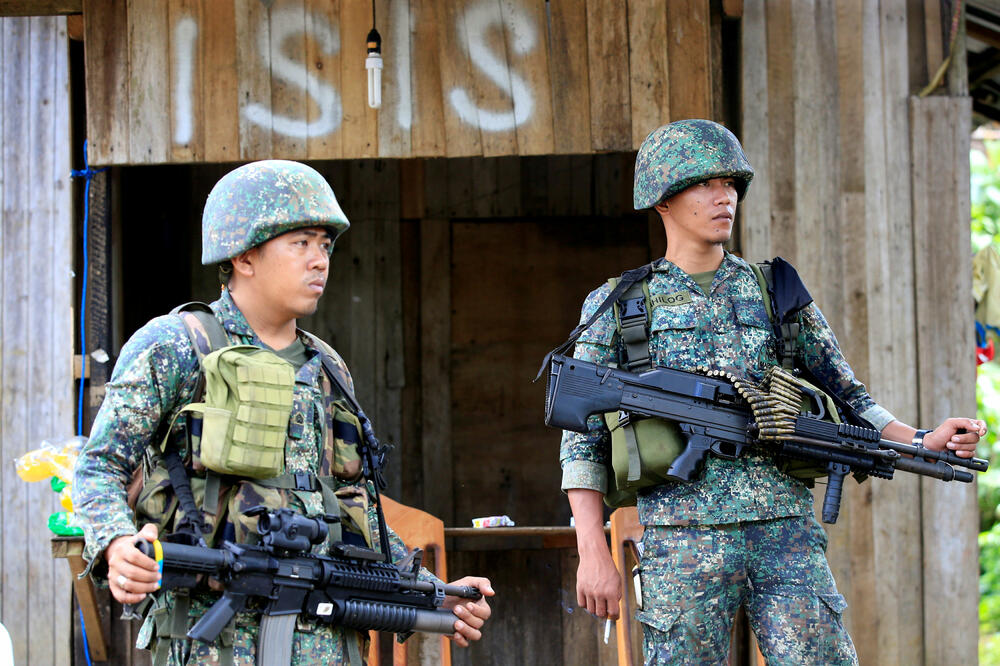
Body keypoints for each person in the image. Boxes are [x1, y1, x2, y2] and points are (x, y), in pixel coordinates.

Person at [559, 119, 986, 664]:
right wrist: (593, 551)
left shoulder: (774, 290)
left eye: (732, 185)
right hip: (681, 538)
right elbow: (582, 439)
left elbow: (848, 395)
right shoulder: (620, 305)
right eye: (706, 185)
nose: (724, 198)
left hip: (785, 531)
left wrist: (923, 440)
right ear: (662, 199)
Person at [73, 160, 494, 665]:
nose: (320, 260)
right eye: (301, 243)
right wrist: (117, 544)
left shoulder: (327, 367)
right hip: (215, 640)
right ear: (245, 256)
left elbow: (350, 503)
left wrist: (430, 587)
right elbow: (100, 466)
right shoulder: (177, 345)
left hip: (327, 639)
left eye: (325, 245)